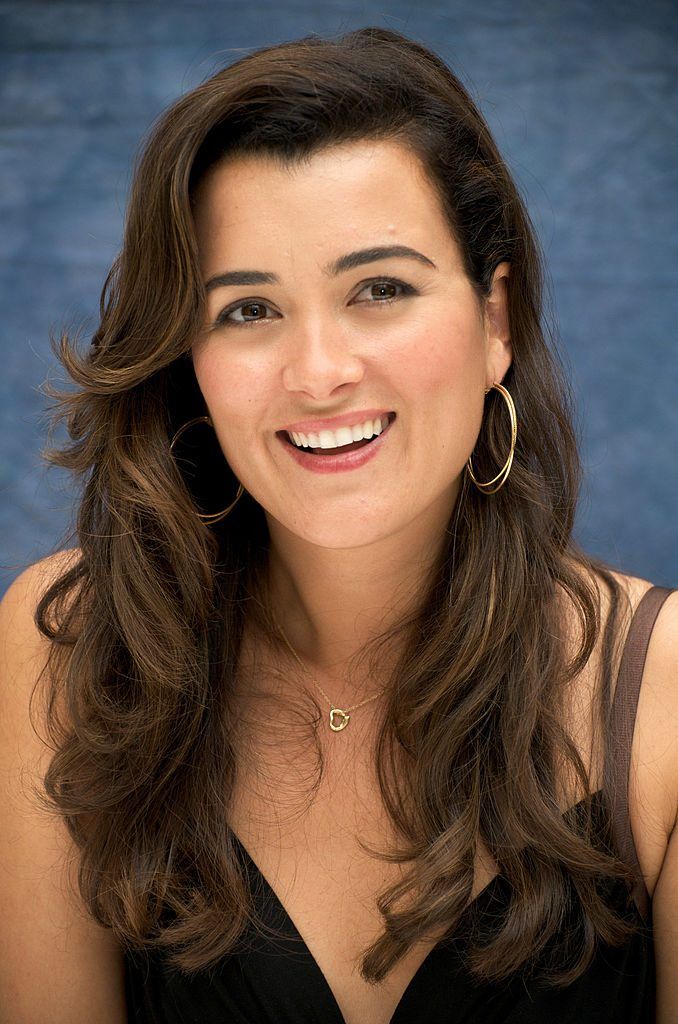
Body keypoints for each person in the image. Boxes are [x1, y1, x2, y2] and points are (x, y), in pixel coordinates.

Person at [0, 25, 676, 1024]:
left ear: (496, 319)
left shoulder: (664, 698)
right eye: (247, 310)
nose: (318, 373)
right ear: (188, 357)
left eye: (380, 290)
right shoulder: (61, 650)